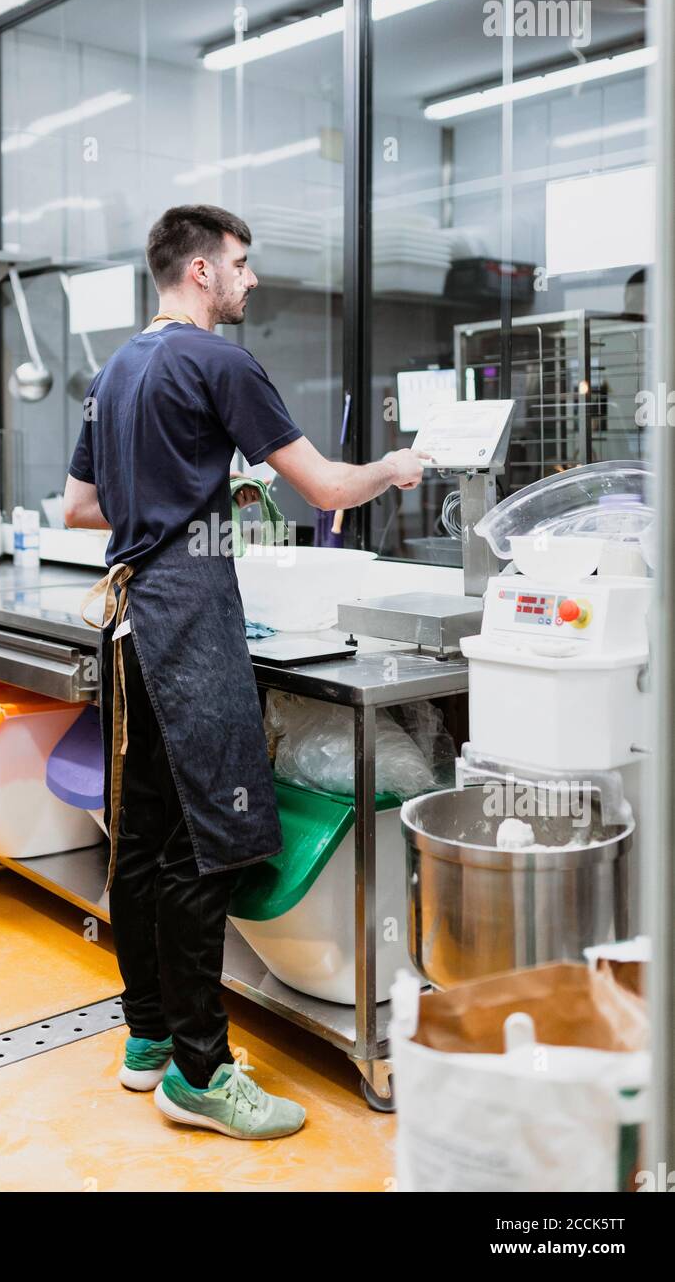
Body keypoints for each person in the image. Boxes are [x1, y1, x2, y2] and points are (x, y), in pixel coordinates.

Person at [64, 204, 427, 1139]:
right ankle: (201, 1073)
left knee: (141, 837)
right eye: (241, 263)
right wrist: (397, 464)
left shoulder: (115, 373)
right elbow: (328, 490)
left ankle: (148, 1040)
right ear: (198, 273)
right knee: (203, 846)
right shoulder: (217, 361)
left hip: (132, 618)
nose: (251, 280)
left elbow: (79, 508)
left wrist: (187, 497)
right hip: (189, 621)